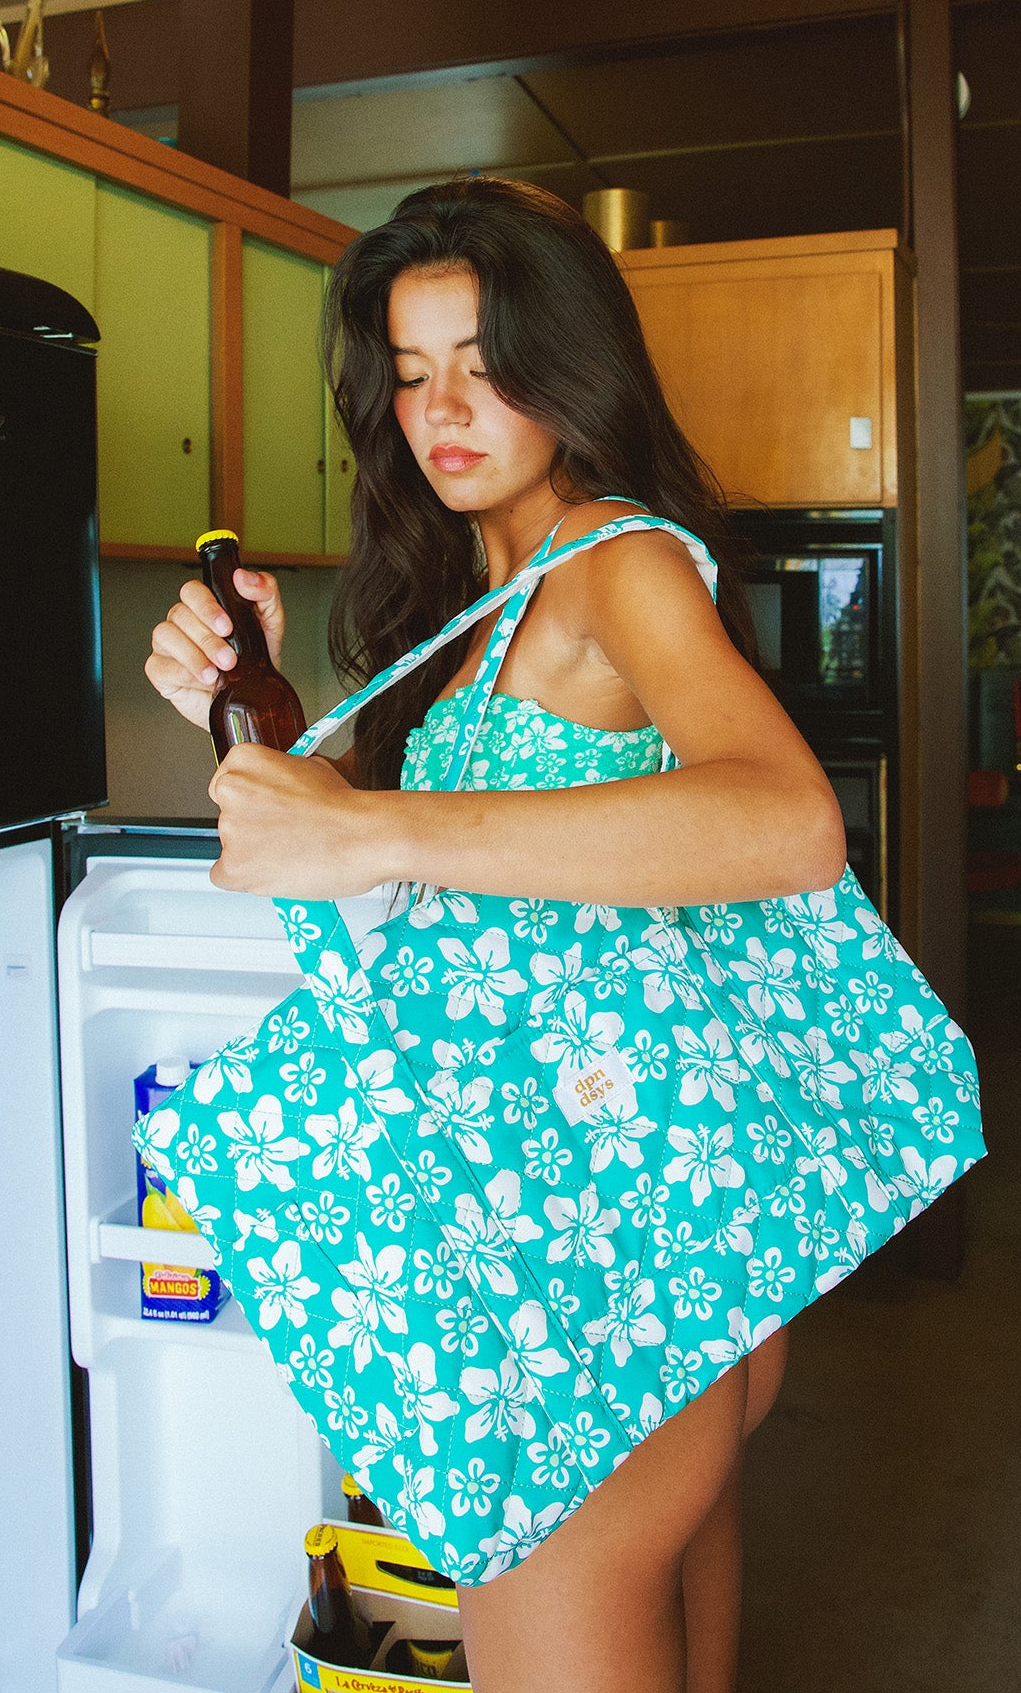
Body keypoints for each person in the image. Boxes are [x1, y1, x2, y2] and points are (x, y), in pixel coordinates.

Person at [145, 177, 846, 1693]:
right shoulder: (498, 597)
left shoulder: (614, 559)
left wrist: (380, 823)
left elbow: (790, 820)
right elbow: (457, 923)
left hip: (610, 1273)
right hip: (635, 1234)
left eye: (482, 362)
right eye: (408, 375)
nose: (441, 409)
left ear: (571, 367)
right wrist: (258, 698)